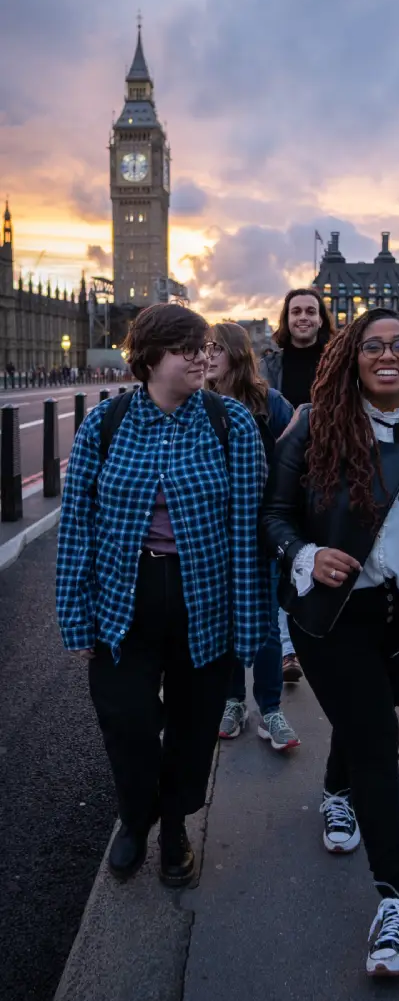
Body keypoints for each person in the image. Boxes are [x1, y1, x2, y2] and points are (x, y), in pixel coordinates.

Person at [260, 307, 399, 976]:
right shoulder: (314, 426)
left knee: (370, 718)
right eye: (372, 346)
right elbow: (271, 515)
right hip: (329, 615)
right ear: (351, 358)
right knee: (375, 741)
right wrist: (305, 553)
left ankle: (337, 792)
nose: (388, 355)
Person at [55, 304, 270, 887]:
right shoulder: (106, 424)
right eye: (186, 348)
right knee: (124, 718)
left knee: (194, 724)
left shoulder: (231, 424)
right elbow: (77, 525)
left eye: (204, 346)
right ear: (150, 358)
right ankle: (134, 817)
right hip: (124, 598)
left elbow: (249, 532)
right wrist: (76, 618)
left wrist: (251, 627)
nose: (202, 357)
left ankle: (173, 825)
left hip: (206, 601)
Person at [205, 321, 300, 751]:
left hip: (258, 528)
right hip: (212, 531)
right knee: (222, 621)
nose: (206, 356)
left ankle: (271, 709)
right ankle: (232, 700)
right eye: (202, 348)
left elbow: (296, 453)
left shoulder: (268, 401)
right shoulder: (196, 402)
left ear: (236, 354)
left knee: (262, 621)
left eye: (215, 348)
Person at [260, 288, 334, 688]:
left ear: (321, 318)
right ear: (286, 319)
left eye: (310, 311)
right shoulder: (269, 364)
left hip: (327, 470)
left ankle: (317, 636)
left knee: (319, 551)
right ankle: (288, 649)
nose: (303, 317)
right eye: (295, 312)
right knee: (281, 555)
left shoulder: (337, 359)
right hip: (283, 468)